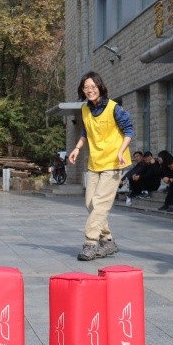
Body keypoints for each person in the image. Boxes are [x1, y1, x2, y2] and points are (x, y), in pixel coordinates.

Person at [67, 72, 133, 261]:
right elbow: (86, 131)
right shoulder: (85, 109)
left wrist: (121, 151)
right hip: (95, 162)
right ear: (82, 90)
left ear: (100, 87)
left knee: (100, 204)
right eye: (86, 88)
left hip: (113, 162)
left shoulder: (114, 108)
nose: (90, 90)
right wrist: (77, 148)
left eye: (93, 87)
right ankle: (108, 240)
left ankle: (90, 242)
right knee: (90, 203)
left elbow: (129, 130)